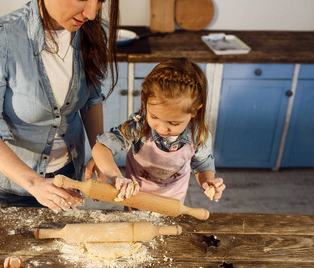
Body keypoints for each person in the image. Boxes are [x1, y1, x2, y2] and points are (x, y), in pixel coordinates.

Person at [0, 0, 120, 211]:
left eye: (101, 0)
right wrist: (35, 183)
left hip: (69, 171)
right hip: (14, 185)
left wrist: (99, 150)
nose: (91, 13)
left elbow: (91, 99)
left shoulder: (95, 31)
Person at [92, 58, 226, 204]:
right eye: (154, 116)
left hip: (173, 198)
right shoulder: (139, 127)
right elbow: (102, 147)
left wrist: (208, 182)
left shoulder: (199, 134)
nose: (162, 129)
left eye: (173, 123)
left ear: (194, 110)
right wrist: (116, 176)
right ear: (145, 101)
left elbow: (202, 165)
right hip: (136, 195)